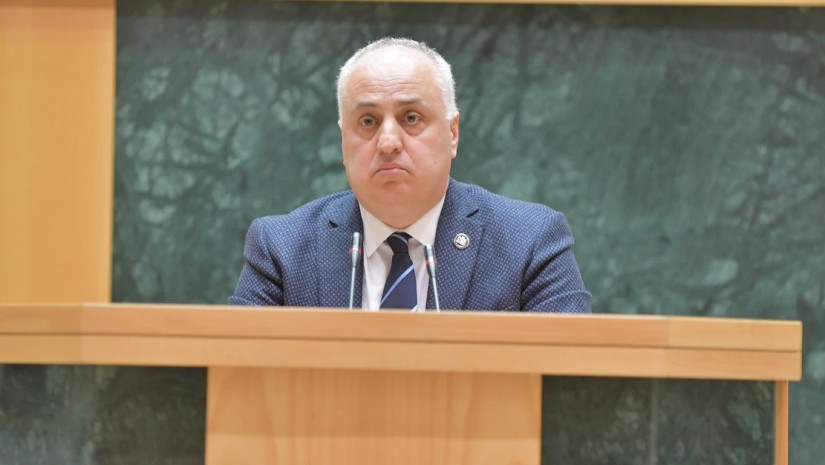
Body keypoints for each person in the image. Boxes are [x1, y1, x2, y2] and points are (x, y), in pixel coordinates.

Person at [229, 37, 591, 312]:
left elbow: (572, 381)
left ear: (452, 133)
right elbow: (238, 377)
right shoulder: (281, 249)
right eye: (367, 122)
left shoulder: (530, 242)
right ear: (343, 140)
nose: (388, 142)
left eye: (411, 118)